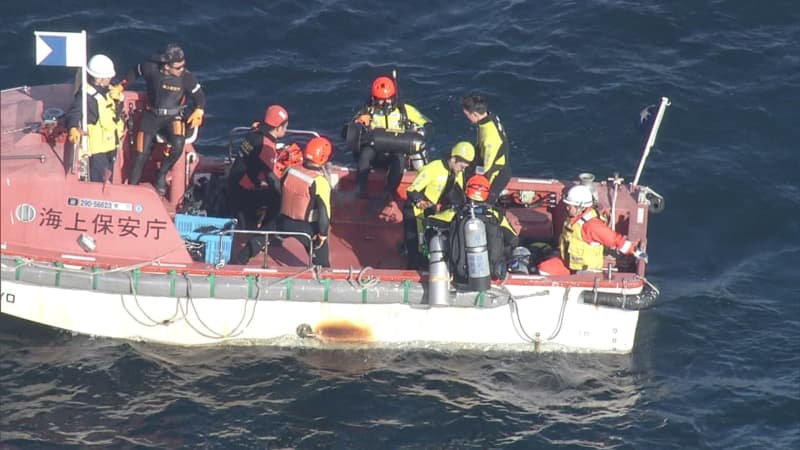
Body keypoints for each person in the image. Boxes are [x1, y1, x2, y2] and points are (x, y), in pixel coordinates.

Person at [117, 43, 206, 195]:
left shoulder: (186, 78)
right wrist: (120, 86)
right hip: (151, 115)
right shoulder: (150, 67)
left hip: (173, 116)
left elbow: (199, 96)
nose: (181, 70)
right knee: (140, 153)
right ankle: (132, 189)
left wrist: (199, 110)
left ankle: (161, 174)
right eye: (178, 67)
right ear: (166, 65)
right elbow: (134, 72)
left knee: (178, 142)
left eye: (183, 66)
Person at [234, 136, 334, 267]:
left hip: (282, 221)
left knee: (261, 236)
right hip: (306, 228)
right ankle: (323, 276)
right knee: (321, 258)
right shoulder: (320, 182)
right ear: (323, 158)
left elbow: (280, 190)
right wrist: (322, 235)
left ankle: (239, 260)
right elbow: (324, 213)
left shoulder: (290, 170)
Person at [350, 76, 432, 202]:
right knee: (365, 155)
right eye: (381, 100)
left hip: (396, 149)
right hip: (376, 150)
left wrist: (419, 131)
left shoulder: (404, 110)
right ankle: (360, 189)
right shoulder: (368, 112)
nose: (385, 103)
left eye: (388, 99)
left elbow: (427, 123)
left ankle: (388, 192)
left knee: (399, 159)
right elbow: (352, 130)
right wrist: (360, 123)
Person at [537, 185, 648, 275]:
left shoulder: (591, 226)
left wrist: (635, 251)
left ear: (580, 207)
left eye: (570, 206)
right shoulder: (573, 218)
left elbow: (614, 239)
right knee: (543, 268)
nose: (567, 208)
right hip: (569, 262)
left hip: (586, 270)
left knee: (547, 271)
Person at [401, 141, 474, 269]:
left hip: (431, 210)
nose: (462, 170)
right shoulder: (434, 168)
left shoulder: (458, 173)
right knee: (415, 247)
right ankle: (411, 267)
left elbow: (458, 194)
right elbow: (412, 190)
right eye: (461, 166)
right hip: (414, 210)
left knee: (427, 243)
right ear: (453, 159)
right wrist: (420, 202)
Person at [432, 174, 519, 282]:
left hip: (460, 272)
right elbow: (513, 239)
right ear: (486, 194)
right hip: (491, 272)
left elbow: (430, 222)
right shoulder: (495, 215)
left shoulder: (455, 213)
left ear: (467, 190)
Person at [227, 105, 298, 230]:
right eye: (285, 127)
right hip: (243, 193)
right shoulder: (266, 148)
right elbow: (272, 180)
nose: (286, 130)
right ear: (279, 127)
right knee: (277, 199)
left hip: (234, 182)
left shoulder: (254, 133)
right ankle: (266, 231)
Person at [64, 54, 125, 182]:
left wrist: (120, 101)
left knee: (110, 174)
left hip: (111, 145)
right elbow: (74, 113)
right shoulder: (86, 97)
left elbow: (114, 114)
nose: (111, 78)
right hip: (98, 151)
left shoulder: (108, 90)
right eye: (108, 76)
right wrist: (73, 128)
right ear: (99, 78)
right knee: (100, 180)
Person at [461, 92, 511, 203]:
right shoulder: (490, 117)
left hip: (497, 172)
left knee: (484, 202)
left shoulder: (490, 139)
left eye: (467, 115)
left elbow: (487, 169)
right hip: (485, 157)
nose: (467, 118)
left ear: (474, 114)